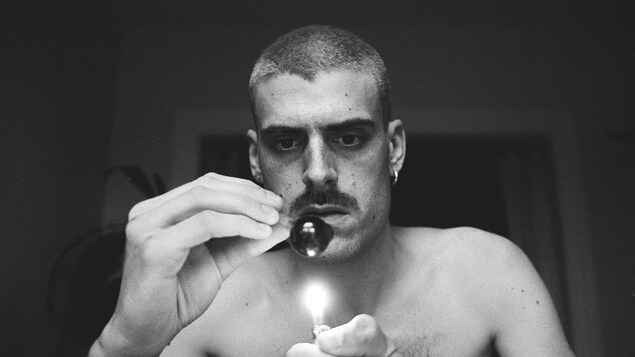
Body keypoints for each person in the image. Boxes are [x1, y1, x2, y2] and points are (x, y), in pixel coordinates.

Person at [89, 25, 574, 357]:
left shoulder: (487, 271)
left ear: (395, 149)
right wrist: (124, 344)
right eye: (286, 142)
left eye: (348, 138)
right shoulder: (207, 303)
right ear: (257, 160)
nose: (318, 173)